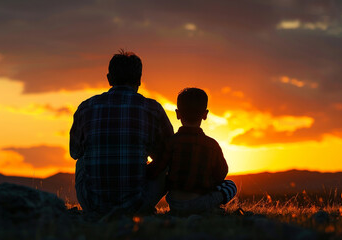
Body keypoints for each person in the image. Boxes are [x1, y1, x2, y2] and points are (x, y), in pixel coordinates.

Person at [70, 50, 174, 216]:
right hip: (138, 205)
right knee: (167, 161)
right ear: (139, 79)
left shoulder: (86, 107)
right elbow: (169, 151)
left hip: (93, 205)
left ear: (109, 79)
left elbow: (74, 152)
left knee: (82, 159)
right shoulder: (152, 109)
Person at [147, 88, 237, 216]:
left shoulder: (171, 143)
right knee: (230, 185)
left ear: (178, 114)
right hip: (200, 203)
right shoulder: (212, 145)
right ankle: (209, 209)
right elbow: (221, 173)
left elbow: (156, 170)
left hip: (174, 203)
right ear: (205, 115)